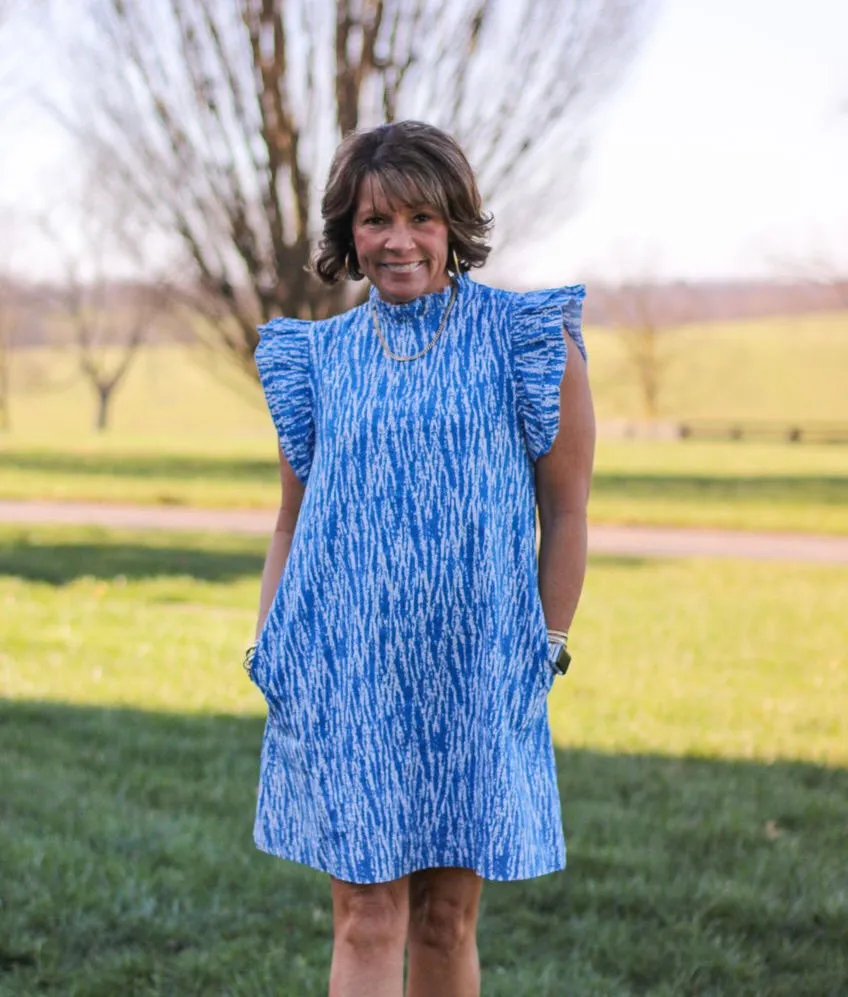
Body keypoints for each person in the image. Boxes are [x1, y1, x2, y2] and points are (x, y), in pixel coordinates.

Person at [246, 120, 595, 997]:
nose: (397, 240)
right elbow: (292, 519)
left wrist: (545, 643)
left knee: (446, 918)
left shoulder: (527, 339)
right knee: (367, 913)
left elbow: (568, 506)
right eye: (374, 220)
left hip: (475, 665)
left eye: (420, 218)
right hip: (348, 667)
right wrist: (271, 643)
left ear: (455, 224)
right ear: (347, 234)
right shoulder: (316, 358)